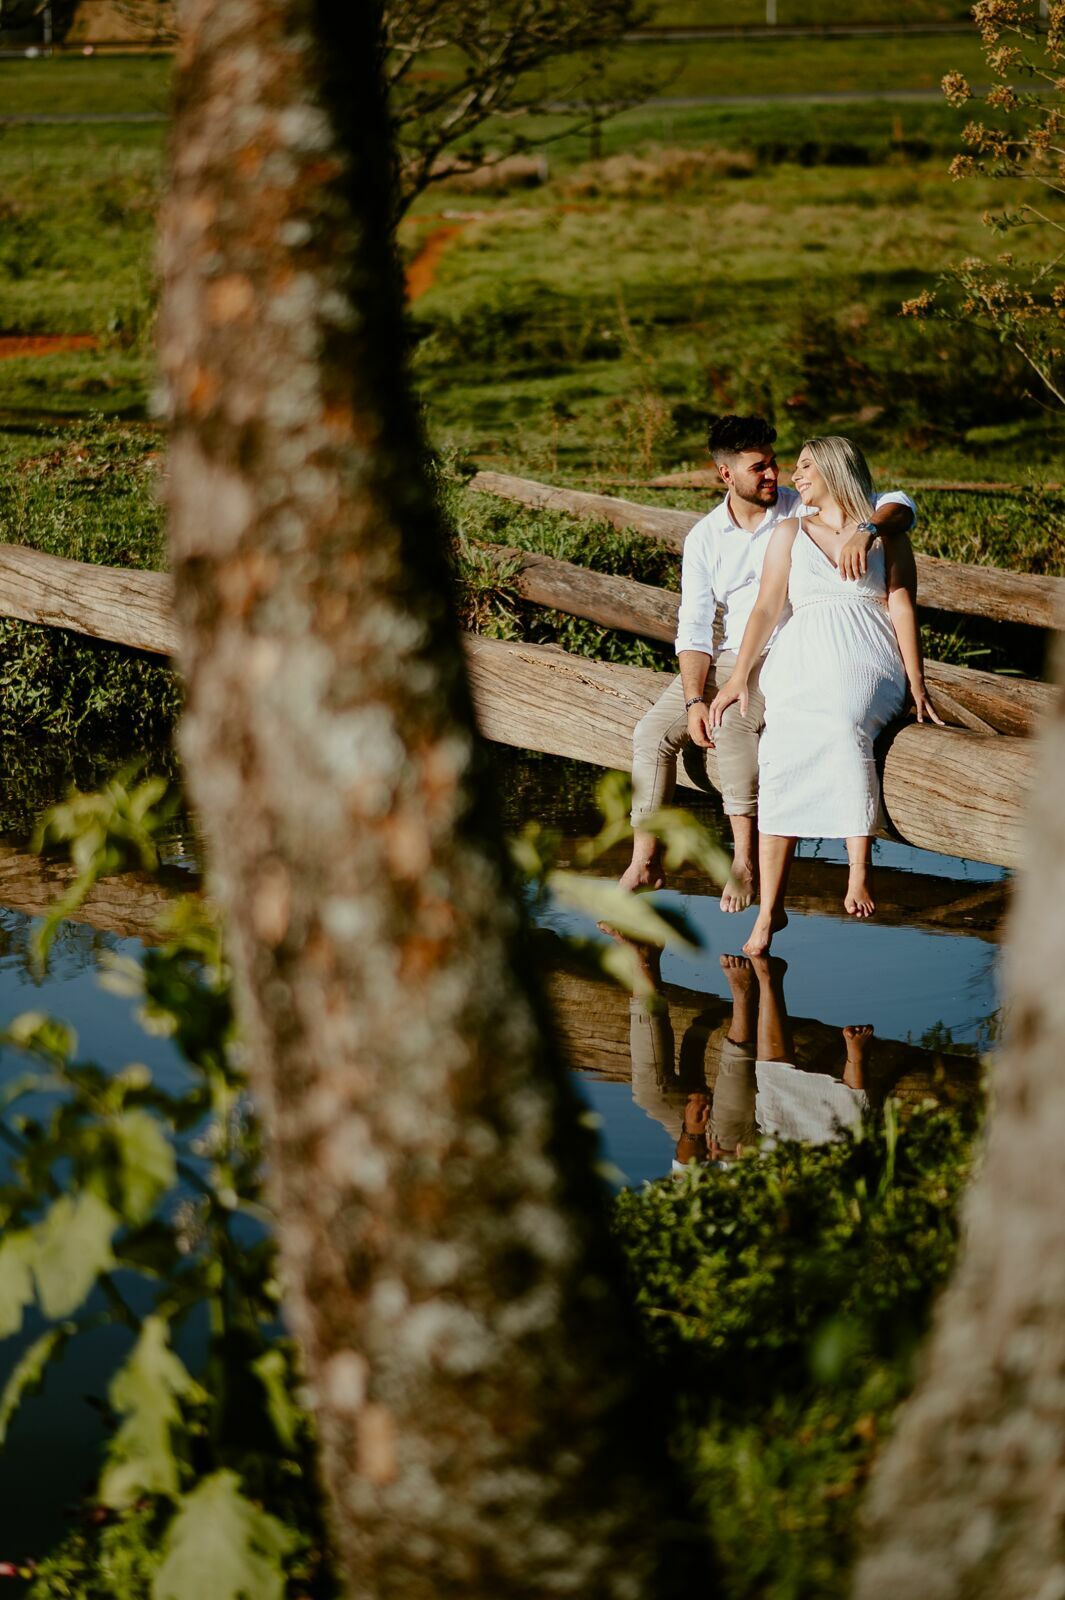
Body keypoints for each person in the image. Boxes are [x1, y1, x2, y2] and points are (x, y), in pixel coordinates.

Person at [618, 414, 916, 912]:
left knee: (733, 725)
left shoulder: (801, 505)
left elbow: (899, 503)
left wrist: (866, 531)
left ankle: (744, 860)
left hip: (788, 649)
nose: (774, 476)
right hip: (732, 651)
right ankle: (646, 860)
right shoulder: (705, 538)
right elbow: (693, 628)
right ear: (726, 474)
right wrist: (694, 697)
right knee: (651, 735)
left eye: (775, 464)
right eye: (760, 468)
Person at [708, 435, 943, 957]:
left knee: (842, 720)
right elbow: (766, 609)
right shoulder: (789, 532)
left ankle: (859, 871)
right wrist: (738, 677)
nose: (795, 475)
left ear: (837, 469)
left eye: (806, 465)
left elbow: (902, 605)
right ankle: (770, 911)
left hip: (867, 650)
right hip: (802, 654)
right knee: (781, 749)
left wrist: (918, 682)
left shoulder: (885, 533)